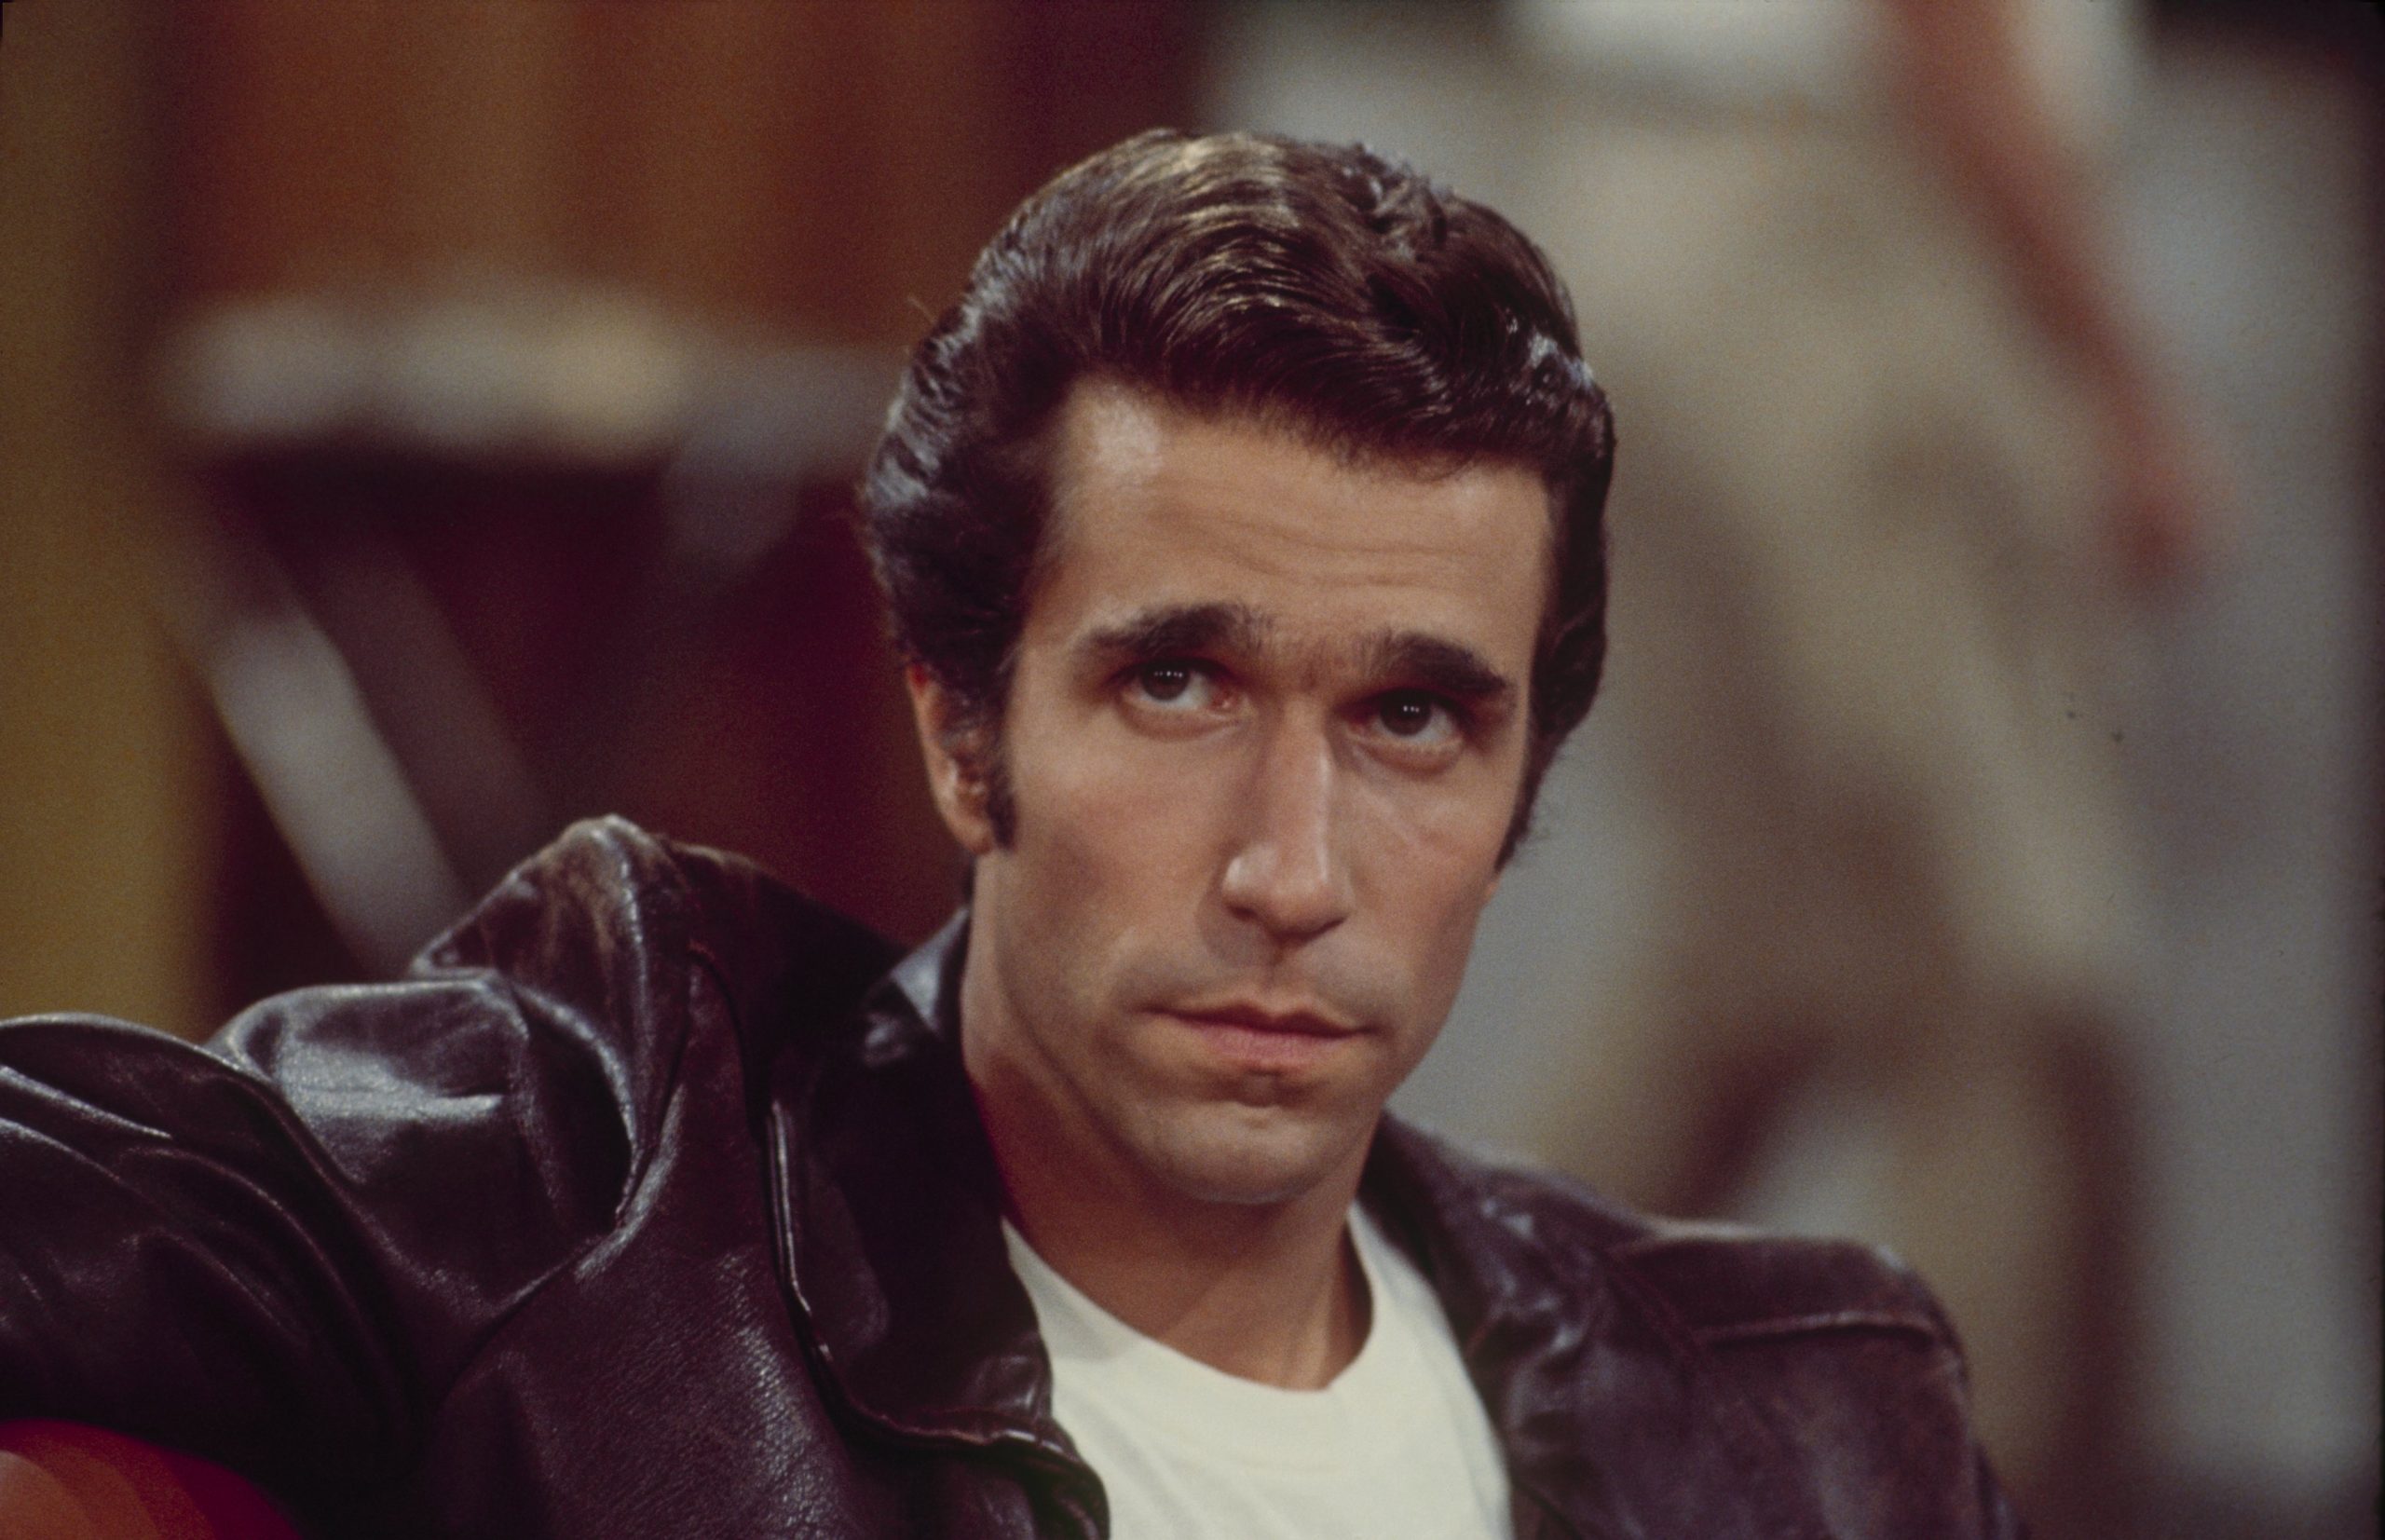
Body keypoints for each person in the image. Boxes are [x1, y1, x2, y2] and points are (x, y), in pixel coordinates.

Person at [0, 129, 2021, 1539]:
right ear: (963, 730)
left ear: (1519, 785)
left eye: (1410, 717)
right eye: (1178, 684)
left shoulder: (1815, 1435)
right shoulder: (610, 1178)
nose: (1292, 871)